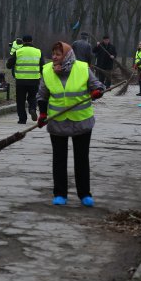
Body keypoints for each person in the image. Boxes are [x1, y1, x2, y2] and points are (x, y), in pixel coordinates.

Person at [36, 41, 105, 207]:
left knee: (81, 159)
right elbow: (42, 95)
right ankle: (60, 194)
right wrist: (43, 113)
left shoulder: (82, 68)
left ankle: (84, 195)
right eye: (53, 53)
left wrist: (96, 92)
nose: (54, 57)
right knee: (59, 159)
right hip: (57, 122)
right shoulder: (47, 71)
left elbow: (98, 86)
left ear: (66, 55)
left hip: (81, 121)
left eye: (58, 54)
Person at [6, 34, 44, 124]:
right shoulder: (38, 52)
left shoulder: (18, 51)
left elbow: (8, 65)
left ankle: (22, 119)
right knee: (33, 97)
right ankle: (32, 109)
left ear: (23, 41)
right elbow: (43, 66)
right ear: (32, 41)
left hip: (21, 81)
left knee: (20, 100)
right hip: (34, 80)